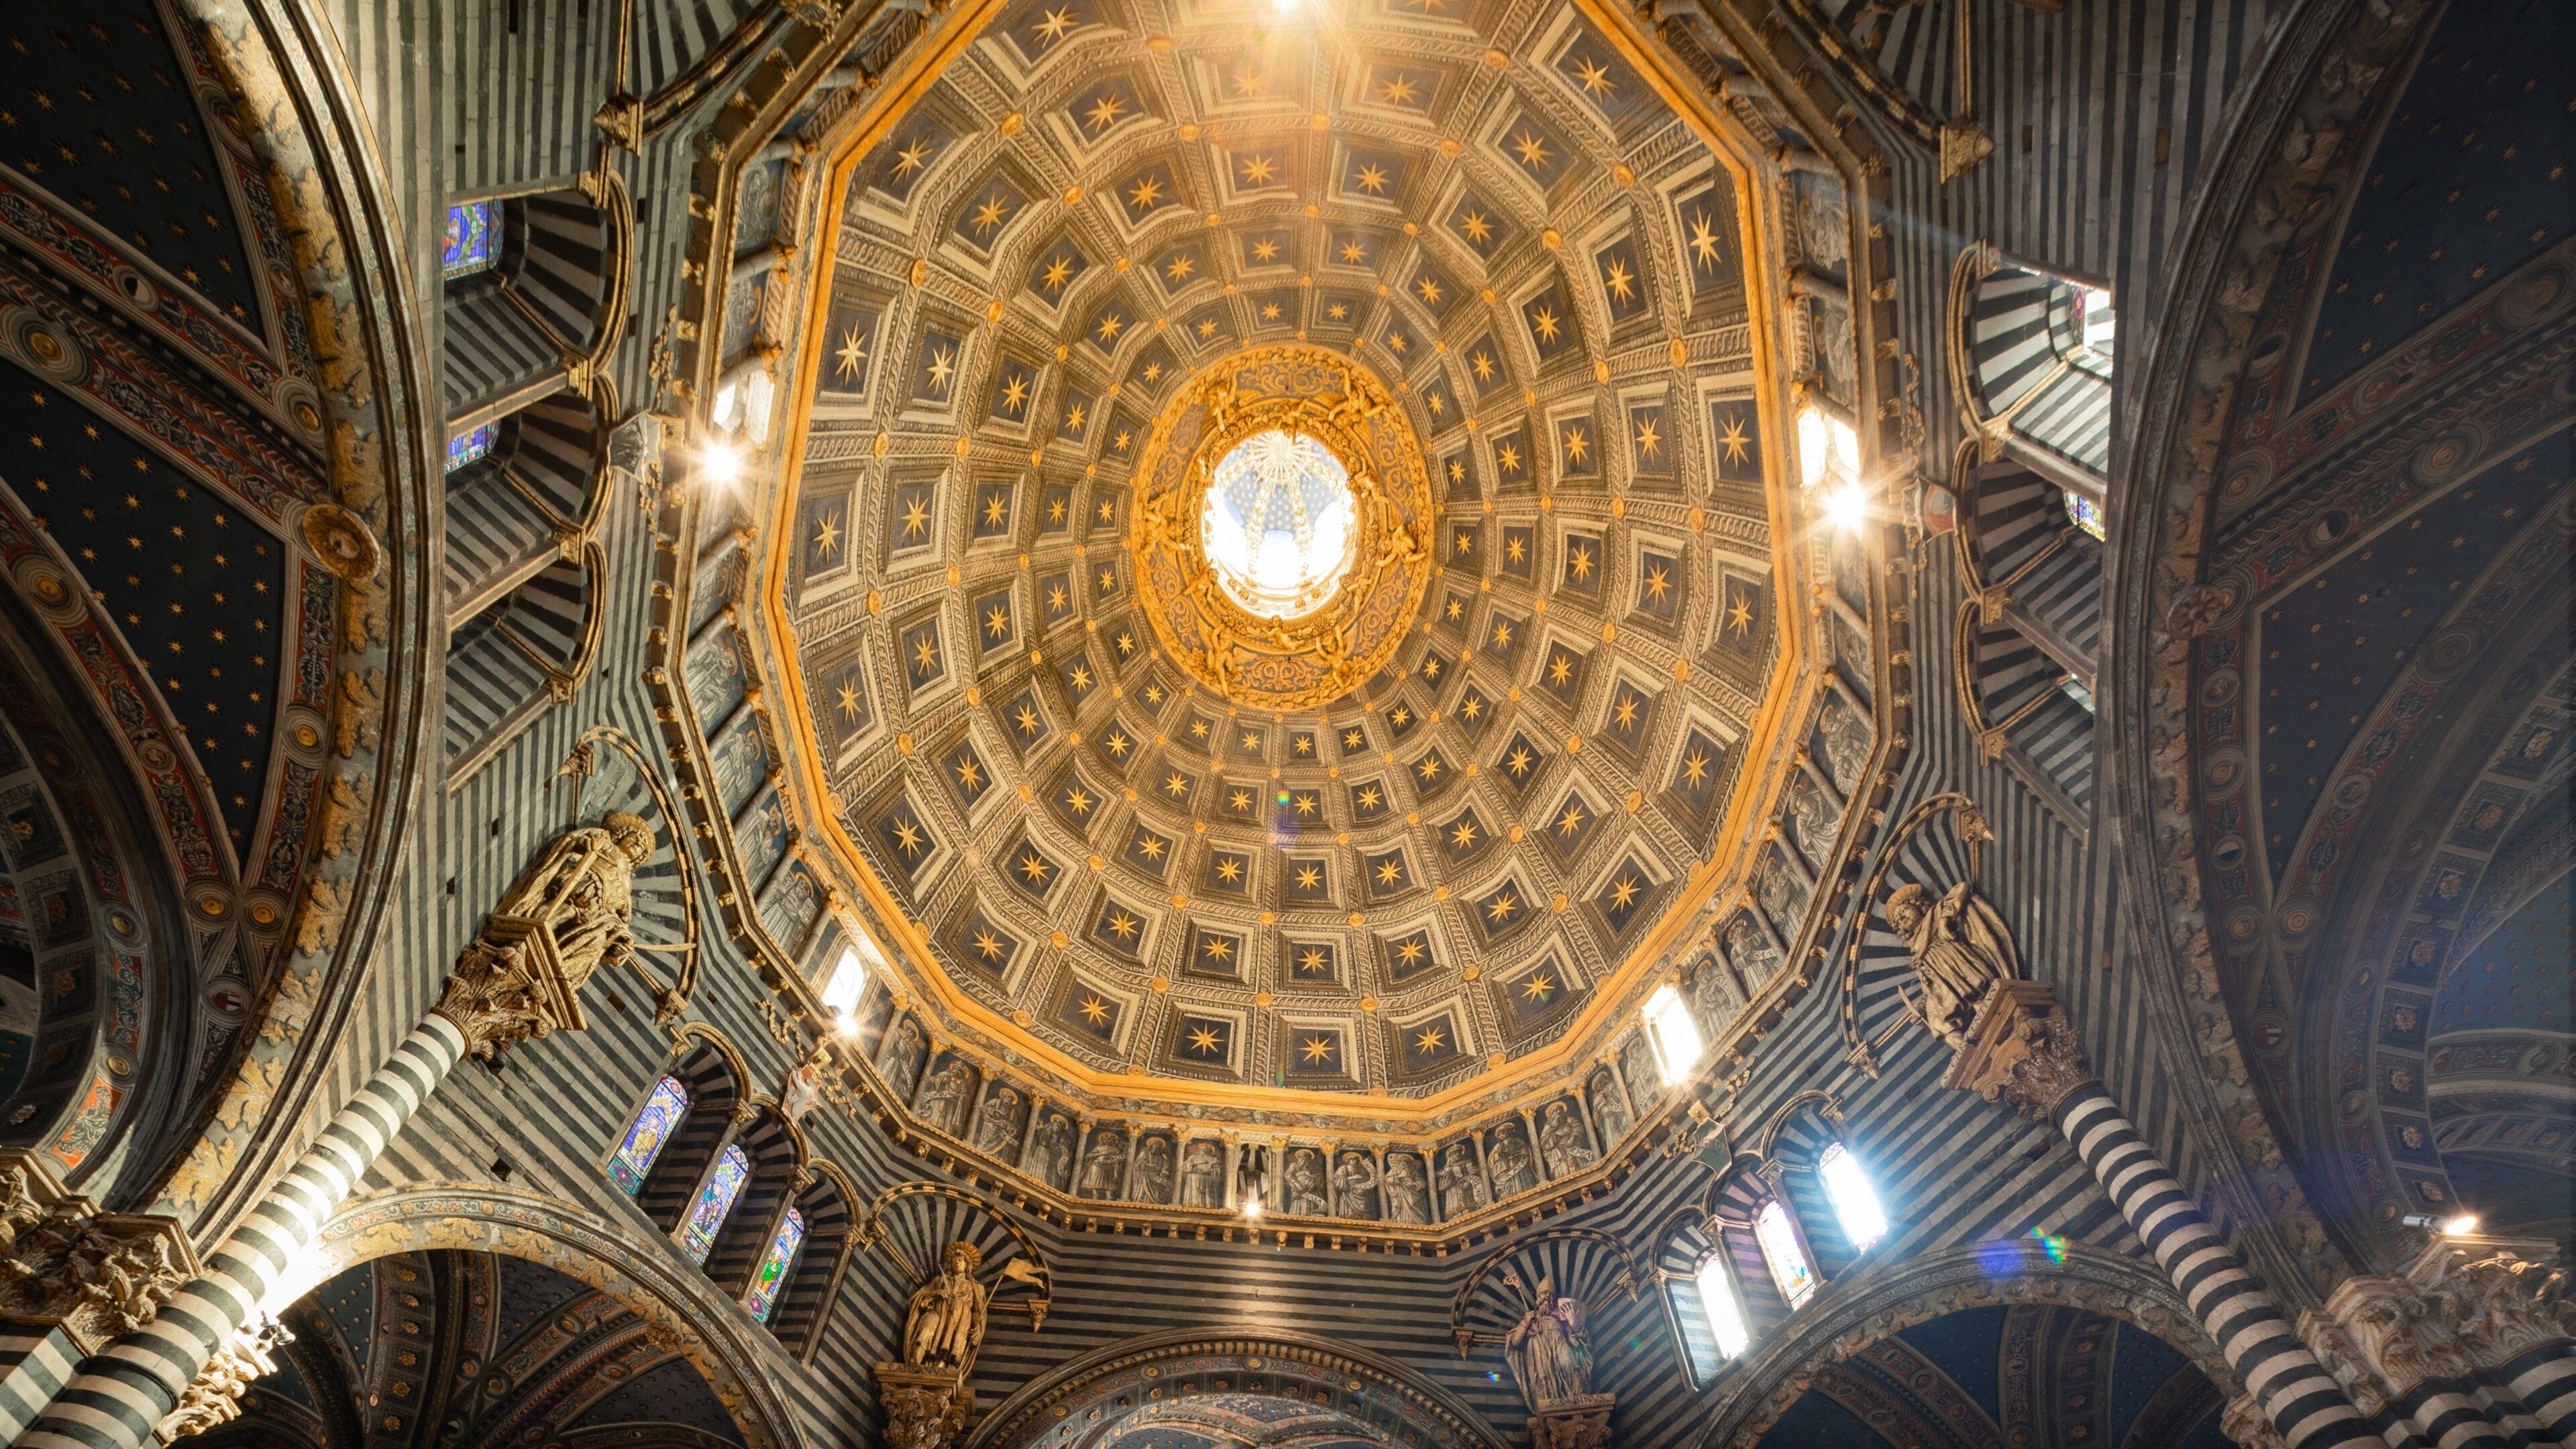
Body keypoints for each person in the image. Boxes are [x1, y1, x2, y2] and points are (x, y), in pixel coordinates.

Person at [1503, 1277, 1596, 1410]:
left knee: (1569, 1363)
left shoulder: (1560, 1316)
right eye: (1544, 1294)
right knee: (1543, 1376)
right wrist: (1525, 1323)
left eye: (1550, 1294)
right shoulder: (1531, 1319)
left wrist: (1573, 1323)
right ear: (1538, 1299)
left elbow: (1580, 1337)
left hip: (1559, 1345)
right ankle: (1548, 1401)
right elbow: (1515, 1342)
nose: (1547, 1296)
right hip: (1539, 1352)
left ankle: (1578, 1393)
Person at [902, 1241, 989, 1374]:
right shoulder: (939, 1280)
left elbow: (978, 1311)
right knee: (926, 1330)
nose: (957, 1263)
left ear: (967, 1265)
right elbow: (919, 1298)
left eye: (960, 1260)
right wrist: (935, 1293)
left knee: (950, 1345)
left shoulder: (976, 1287)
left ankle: (943, 1366)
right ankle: (915, 1361)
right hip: (936, 1312)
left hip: (960, 1319)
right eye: (954, 1260)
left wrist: (978, 1328)